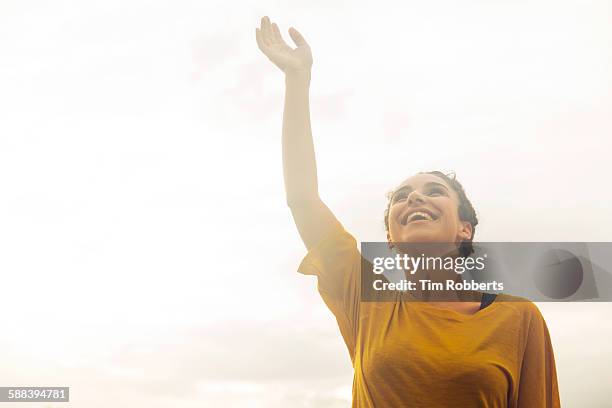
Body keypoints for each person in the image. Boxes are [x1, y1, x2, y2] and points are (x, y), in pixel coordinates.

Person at [255, 16, 560, 407]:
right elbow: (302, 198)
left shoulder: (518, 318)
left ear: (464, 228)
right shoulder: (364, 298)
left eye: (434, 192)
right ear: (389, 239)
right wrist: (297, 81)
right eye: (402, 196)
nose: (414, 199)